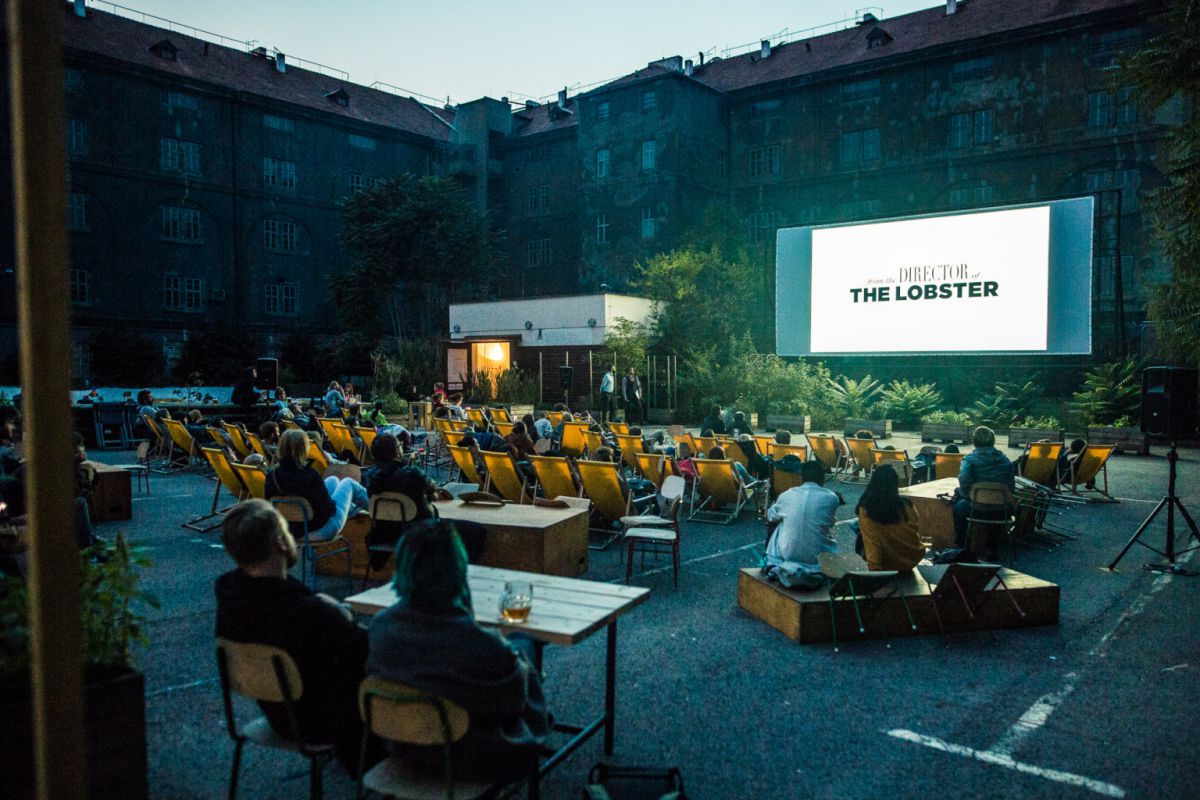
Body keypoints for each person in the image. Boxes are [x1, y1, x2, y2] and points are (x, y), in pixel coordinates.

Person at [366, 521, 549, 785]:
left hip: (402, 748)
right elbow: (515, 702)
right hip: (470, 758)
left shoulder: (380, 628)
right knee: (522, 643)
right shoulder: (483, 647)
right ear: (458, 569)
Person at [214, 500, 377, 773]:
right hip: (317, 721)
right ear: (280, 542)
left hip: (277, 712)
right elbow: (366, 653)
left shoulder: (231, 598)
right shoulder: (305, 613)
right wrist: (340, 616)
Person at [362, 434, 487, 564]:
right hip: (421, 530)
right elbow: (434, 491)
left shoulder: (369, 477)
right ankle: (459, 574)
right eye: (399, 446)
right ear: (396, 452)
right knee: (477, 530)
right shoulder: (412, 474)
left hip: (386, 534)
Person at [265, 428, 368, 541]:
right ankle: (377, 510)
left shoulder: (272, 475)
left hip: (288, 529)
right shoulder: (310, 476)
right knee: (348, 483)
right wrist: (335, 501)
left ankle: (362, 508)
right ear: (303, 449)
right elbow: (328, 510)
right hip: (319, 531)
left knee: (332, 480)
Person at [763, 461, 840, 589]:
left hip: (788, 555)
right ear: (822, 479)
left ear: (801, 478)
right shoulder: (832, 498)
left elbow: (770, 516)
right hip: (819, 560)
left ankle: (775, 560)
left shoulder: (787, 495)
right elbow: (830, 522)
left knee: (779, 522)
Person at [953, 426, 1015, 551]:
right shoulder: (1005, 460)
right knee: (994, 506)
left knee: (958, 508)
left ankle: (962, 547)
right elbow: (1011, 487)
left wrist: (968, 497)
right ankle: (991, 548)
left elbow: (964, 482)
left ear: (974, 442)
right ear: (993, 441)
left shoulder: (969, 460)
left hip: (976, 508)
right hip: (1003, 510)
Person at [855, 464, 924, 572]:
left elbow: (871, 541)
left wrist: (874, 569)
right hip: (913, 558)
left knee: (859, 533)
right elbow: (915, 528)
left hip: (888, 564)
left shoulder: (867, 509)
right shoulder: (907, 504)